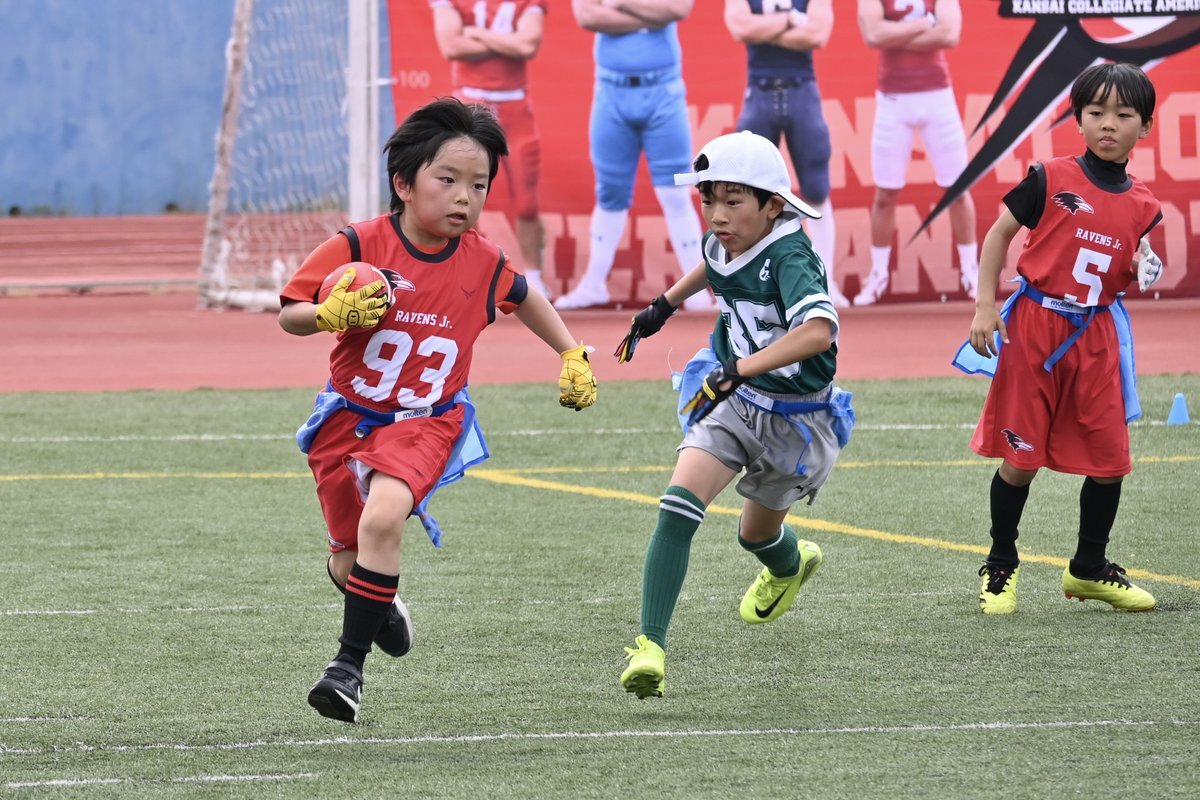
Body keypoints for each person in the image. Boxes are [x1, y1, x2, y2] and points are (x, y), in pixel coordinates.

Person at [278, 98, 598, 723]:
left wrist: (570, 352)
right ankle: (379, 604)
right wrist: (325, 315)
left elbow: (526, 296)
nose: (464, 197)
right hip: (346, 417)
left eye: (478, 185)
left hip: (427, 419)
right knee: (348, 559)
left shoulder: (483, 260)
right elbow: (290, 312)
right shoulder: (357, 245)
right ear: (404, 183)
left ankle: (346, 671)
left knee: (384, 518)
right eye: (447, 179)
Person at [613, 130, 854, 698]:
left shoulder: (791, 256)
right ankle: (650, 647)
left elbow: (818, 333)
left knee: (755, 534)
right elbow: (713, 262)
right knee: (677, 506)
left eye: (733, 201)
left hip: (797, 420)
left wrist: (739, 369)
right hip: (733, 400)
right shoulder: (724, 238)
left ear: (772, 206)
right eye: (708, 200)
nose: (717, 214)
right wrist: (664, 306)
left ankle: (789, 563)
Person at [960, 63, 1163, 615]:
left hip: (1096, 334)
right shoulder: (1049, 176)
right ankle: (1001, 563)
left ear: (1145, 126)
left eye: (1123, 114)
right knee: (1021, 458)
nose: (1108, 123)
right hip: (1035, 328)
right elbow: (998, 235)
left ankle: (1089, 568)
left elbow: (1129, 254)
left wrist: (1144, 264)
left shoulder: (1145, 204)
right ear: (1078, 119)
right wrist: (984, 306)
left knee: (1111, 460)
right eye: (1096, 112)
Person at [554, 0, 714, 312]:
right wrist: (649, 15)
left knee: (676, 193)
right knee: (609, 192)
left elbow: (677, 9)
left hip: (663, 90)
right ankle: (594, 283)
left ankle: (696, 290)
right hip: (611, 91)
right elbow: (587, 15)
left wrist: (620, 3)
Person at [723, 0, 847, 308]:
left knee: (816, 188)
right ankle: (741, 282)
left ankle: (825, 281)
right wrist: (792, 20)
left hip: (801, 87)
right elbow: (741, 28)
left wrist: (764, 30)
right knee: (744, 190)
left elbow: (817, 34)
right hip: (759, 89)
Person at [854, 0, 978, 306]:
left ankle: (971, 271)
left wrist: (894, 33)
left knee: (958, 190)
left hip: (938, 97)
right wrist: (922, 25)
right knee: (885, 193)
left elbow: (949, 34)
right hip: (893, 99)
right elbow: (873, 35)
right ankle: (878, 275)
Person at [431, 0, 551, 298]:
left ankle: (534, 276)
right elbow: (452, 46)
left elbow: (527, 45)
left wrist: (476, 33)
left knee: (526, 200)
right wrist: (507, 42)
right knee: (458, 192)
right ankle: (457, 268)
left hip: (515, 107)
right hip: (469, 106)